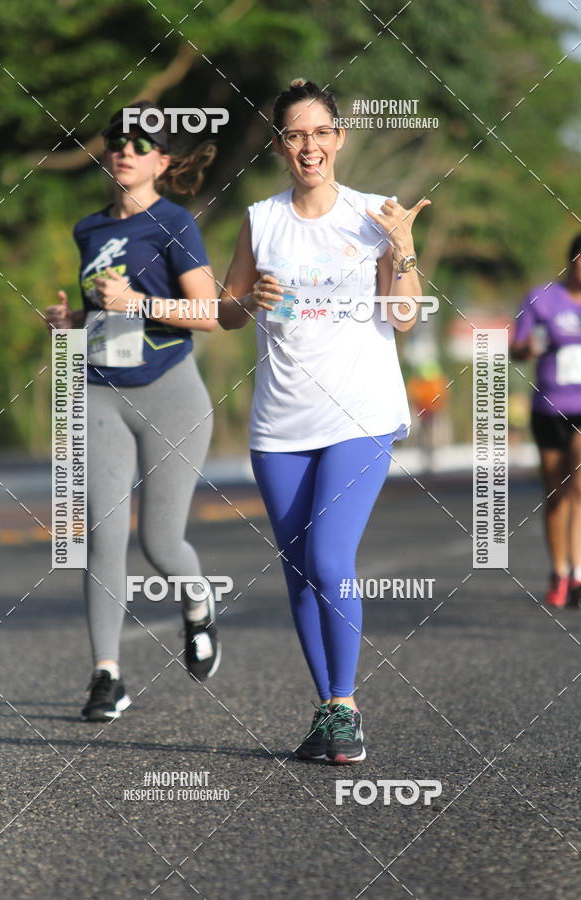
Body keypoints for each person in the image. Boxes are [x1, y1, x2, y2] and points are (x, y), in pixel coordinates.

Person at [218, 79, 429, 764]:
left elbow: (403, 317)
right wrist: (249, 298)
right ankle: (328, 713)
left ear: (339, 138)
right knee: (298, 570)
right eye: (294, 135)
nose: (308, 146)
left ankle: (344, 706)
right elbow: (226, 309)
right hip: (280, 422)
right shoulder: (261, 219)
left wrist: (402, 249)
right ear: (281, 146)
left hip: (359, 412)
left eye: (319, 133)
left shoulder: (375, 214)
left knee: (330, 557)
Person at [44, 100, 221, 721]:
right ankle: (106, 676)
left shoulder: (175, 223)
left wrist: (140, 301)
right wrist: (70, 322)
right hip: (98, 390)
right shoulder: (89, 229)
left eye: (140, 143)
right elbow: (102, 312)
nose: (124, 149)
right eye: (117, 140)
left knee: (160, 543)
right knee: (102, 534)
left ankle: (197, 603)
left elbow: (212, 314)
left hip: (171, 392)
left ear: (163, 161)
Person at [512, 234, 581, 609]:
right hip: (550, 407)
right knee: (556, 494)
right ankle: (560, 572)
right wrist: (528, 347)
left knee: (579, 487)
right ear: (573, 261)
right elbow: (517, 348)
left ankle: (579, 572)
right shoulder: (542, 298)